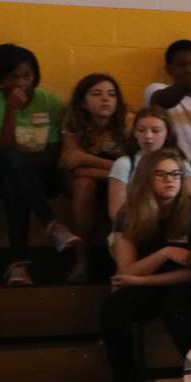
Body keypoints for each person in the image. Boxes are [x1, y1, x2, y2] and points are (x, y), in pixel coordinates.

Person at [94, 147, 191, 382]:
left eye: (176, 174)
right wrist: (165, 253)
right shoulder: (129, 212)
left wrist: (138, 279)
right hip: (149, 283)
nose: (170, 180)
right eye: (161, 174)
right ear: (146, 178)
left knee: (176, 305)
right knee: (114, 306)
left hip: (185, 284)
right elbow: (126, 269)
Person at [0, 43, 79, 285]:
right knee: (11, 163)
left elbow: (51, 156)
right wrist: (10, 110)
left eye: (27, 76)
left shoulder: (48, 102)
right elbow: (2, 149)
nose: (21, 83)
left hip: (40, 177)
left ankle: (18, 267)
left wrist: (22, 169)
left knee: (13, 183)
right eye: (13, 77)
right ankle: (52, 223)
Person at [60, 73, 127, 282]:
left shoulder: (129, 122)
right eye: (96, 94)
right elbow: (71, 163)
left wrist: (86, 159)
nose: (105, 99)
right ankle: (81, 262)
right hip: (83, 182)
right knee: (84, 184)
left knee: (91, 178)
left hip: (118, 181)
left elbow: (134, 170)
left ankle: (125, 262)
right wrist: (118, 169)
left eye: (111, 94)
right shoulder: (73, 120)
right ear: (82, 102)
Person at [143, 38, 191, 165]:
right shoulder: (156, 89)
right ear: (169, 69)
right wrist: (186, 85)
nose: (188, 70)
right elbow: (161, 102)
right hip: (165, 168)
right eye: (182, 65)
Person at [109, 108, 188, 222]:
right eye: (141, 130)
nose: (148, 136)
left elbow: (185, 206)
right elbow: (116, 213)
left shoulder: (182, 163)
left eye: (155, 131)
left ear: (167, 133)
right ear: (134, 133)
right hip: (133, 226)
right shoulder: (124, 163)